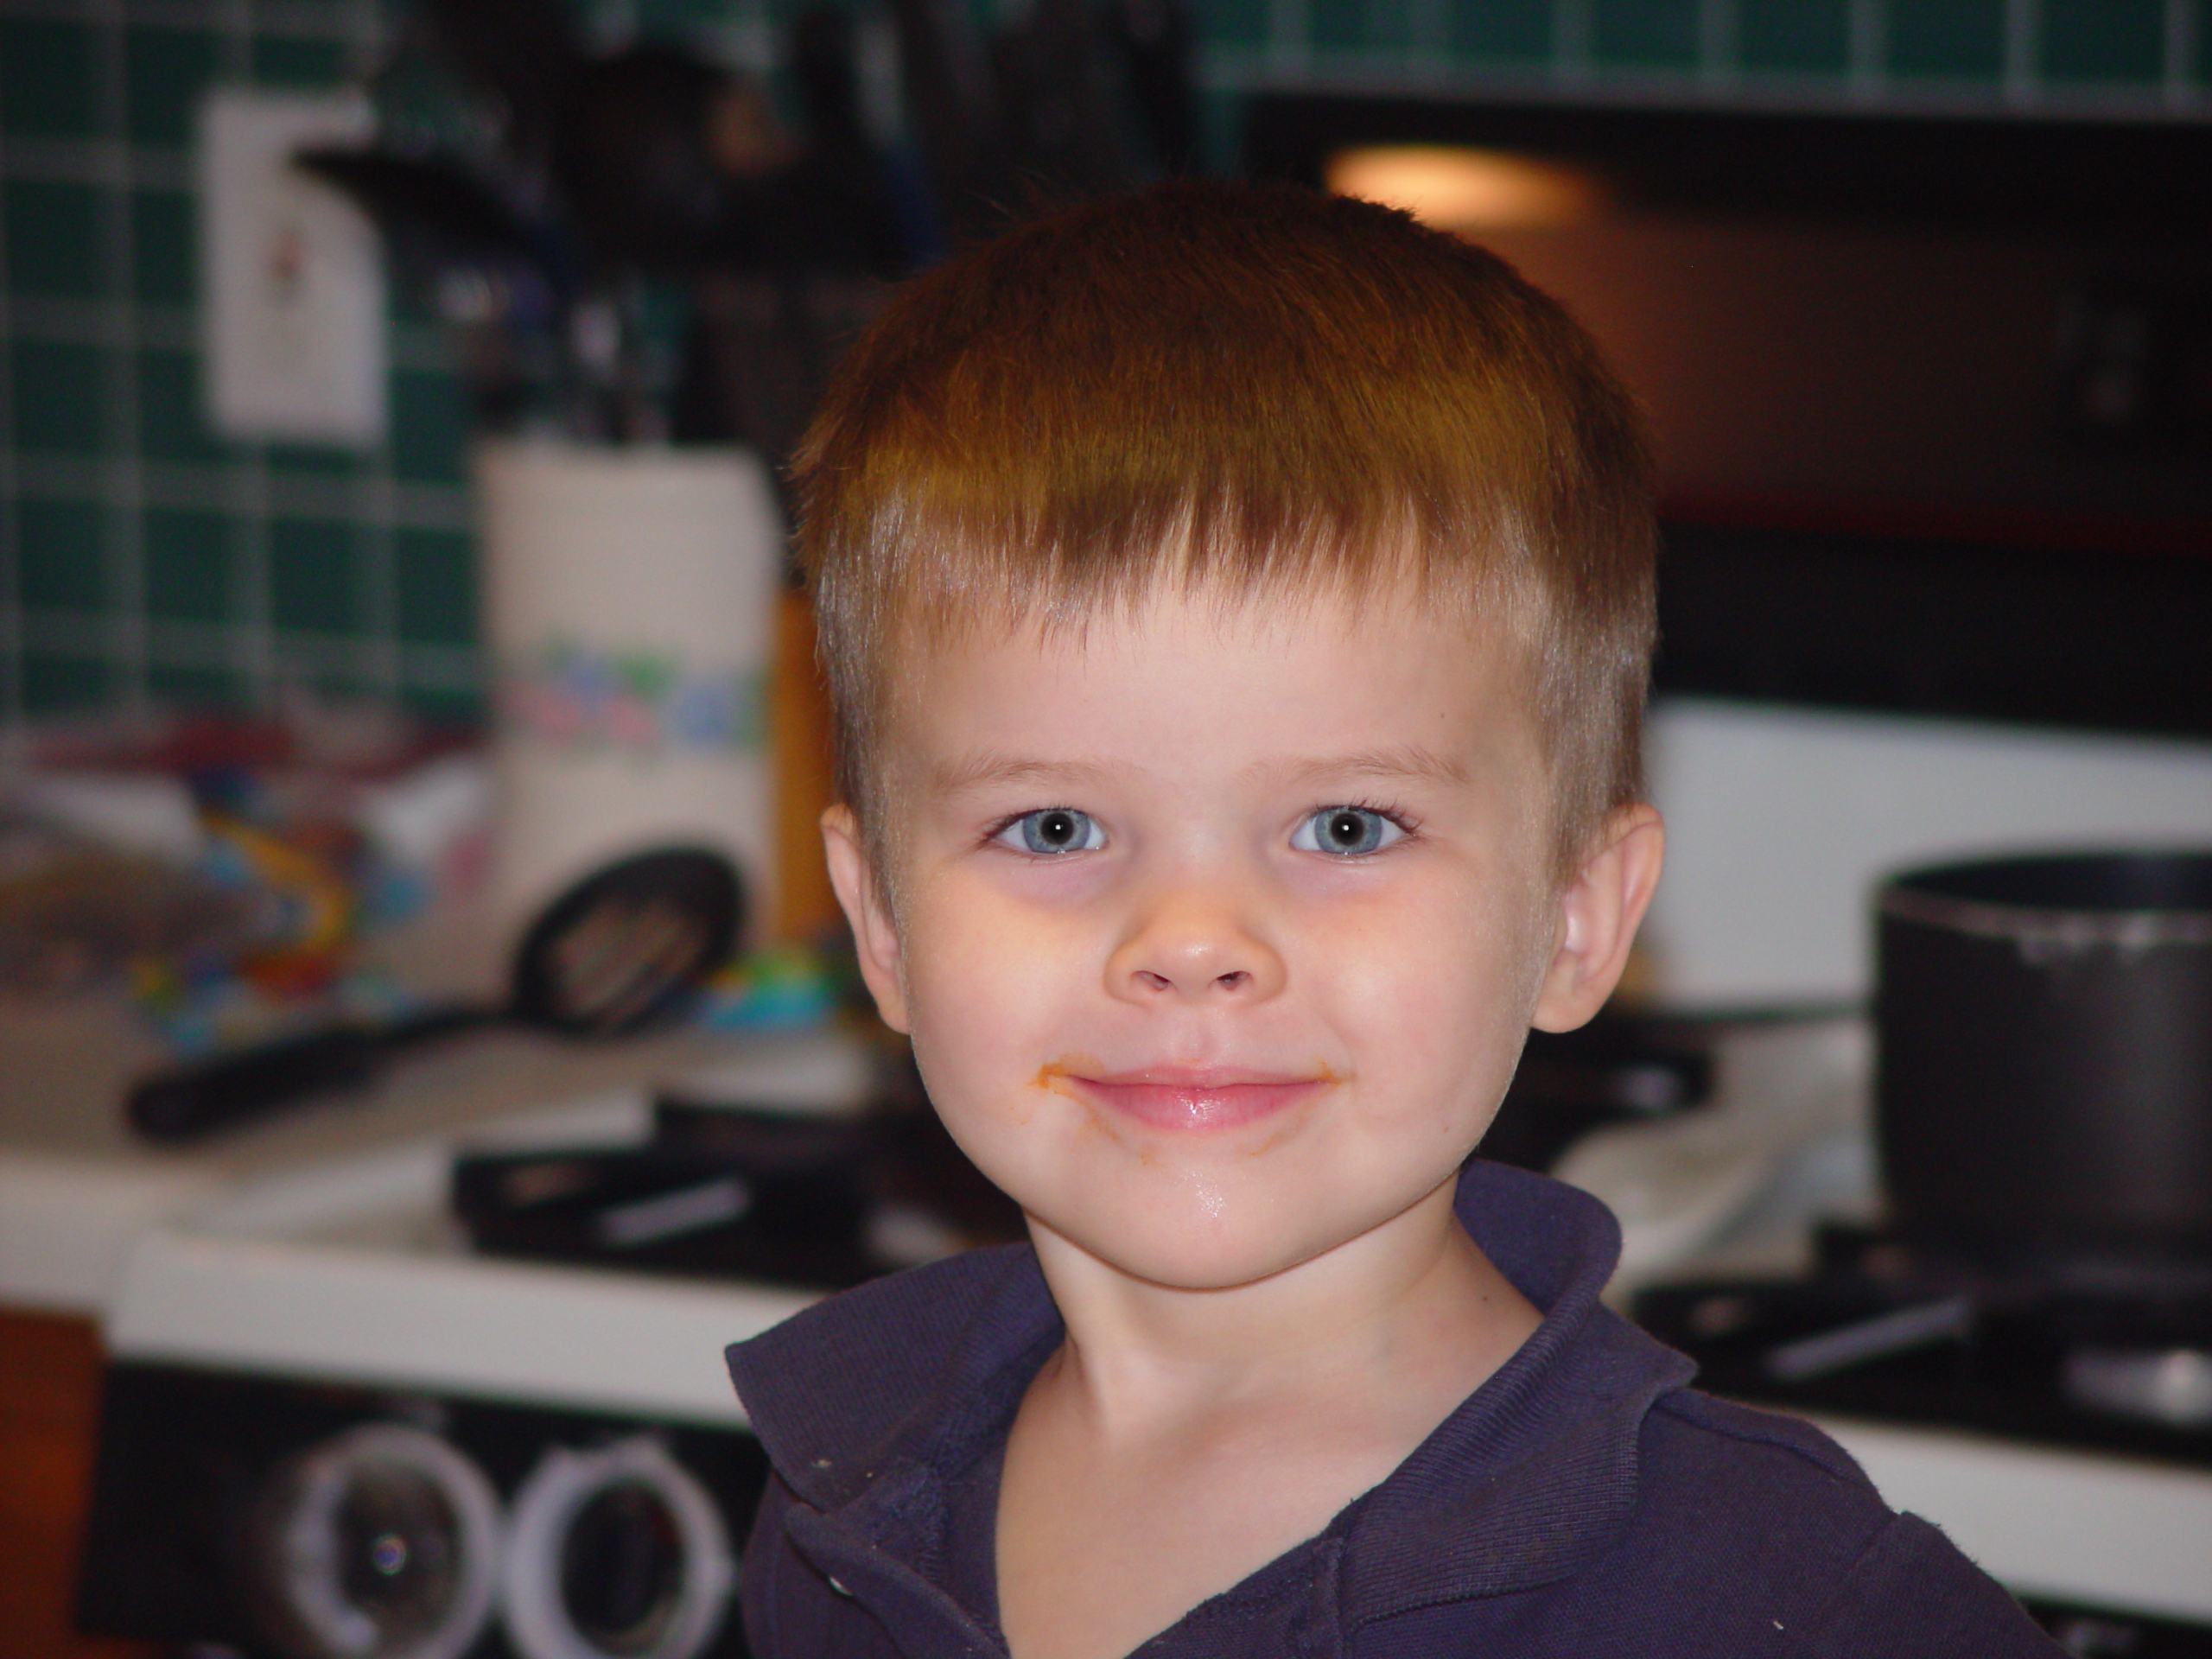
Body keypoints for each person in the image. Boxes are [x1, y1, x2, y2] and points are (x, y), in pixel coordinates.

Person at [725, 181, 2061, 1658]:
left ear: (1576, 916)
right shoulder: (836, 1513)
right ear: (884, 923)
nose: (1190, 938)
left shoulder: (1781, 1599)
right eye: (1055, 827)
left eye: (1344, 827)